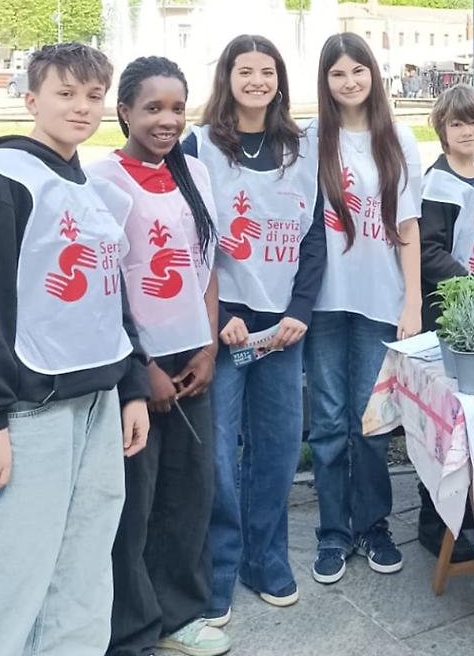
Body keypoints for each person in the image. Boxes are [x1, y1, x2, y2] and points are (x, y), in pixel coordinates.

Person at [0, 42, 150, 655]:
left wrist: (131, 386)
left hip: (94, 404)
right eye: (65, 93)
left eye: (92, 95)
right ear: (32, 100)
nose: (81, 107)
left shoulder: (88, 189)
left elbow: (111, 299)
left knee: (81, 576)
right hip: (19, 415)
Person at [91, 57, 229, 656]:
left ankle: (180, 614)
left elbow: (207, 266)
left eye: (176, 107)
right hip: (134, 363)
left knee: (189, 490)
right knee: (135, 500)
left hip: (192, 355)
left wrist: (207, 345)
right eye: (152, 108)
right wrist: (139, 369)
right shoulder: (102, 182)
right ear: (124, 111)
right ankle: (131, 629)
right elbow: (103, 289)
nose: (167, 120)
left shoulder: (194, 171)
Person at [185, 34, 324, 627]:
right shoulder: (200, 147)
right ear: (228, 77)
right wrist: (217, 318)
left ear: (280, 81)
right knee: (218, 449)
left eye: (268, 72)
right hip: (226, 326)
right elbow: (187, 236)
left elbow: (314, 236)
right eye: (246, 71)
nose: (258, 81)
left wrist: (300, 310)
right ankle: (220, 566)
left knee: (277, 445)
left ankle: (266, 559)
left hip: (282, 328)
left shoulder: (301, 147)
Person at [308, 32, 422, 586]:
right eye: (337, 73)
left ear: (373, 75)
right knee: (328, 423)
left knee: (371, 422)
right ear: (325, 82)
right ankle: (333, 531)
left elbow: (407, 226)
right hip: (324, 305)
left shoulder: (398, 138)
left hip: (380, 300)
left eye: (359, 71)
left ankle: (374, 524)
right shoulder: (310, 140)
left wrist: (413, 301)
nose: (350, 81)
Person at [416, 83, 474, 563]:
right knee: (445, 419)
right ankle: (435, 522)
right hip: (449, 310)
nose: (468, 131)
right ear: (442, 130)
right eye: (457, 124)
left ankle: (470, 510)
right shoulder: (438, 183)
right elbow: (429, 251)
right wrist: (470, 282)